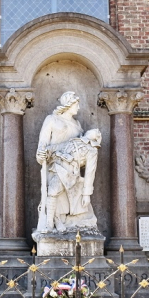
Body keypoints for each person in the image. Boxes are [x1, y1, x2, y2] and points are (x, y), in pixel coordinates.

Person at [36, 92, 100, 233]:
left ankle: (60, 222)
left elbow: (80, 151)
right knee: (54, 193)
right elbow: (42, 145)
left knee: (68, 200)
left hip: (72, 169)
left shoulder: (78, 125)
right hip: (55, 164)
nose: (78, 107)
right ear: (69, 104)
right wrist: (41, 154)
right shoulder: (52, 119)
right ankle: (52, 222)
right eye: (76, 104)